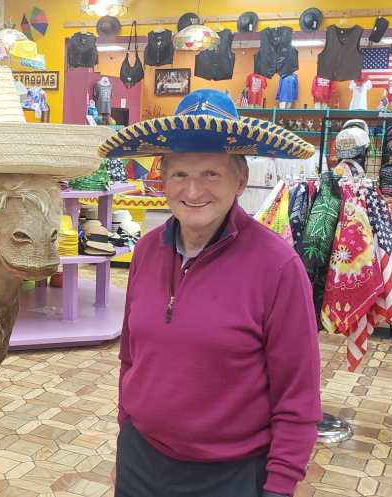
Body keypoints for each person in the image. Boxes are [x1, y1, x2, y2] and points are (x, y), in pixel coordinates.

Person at [98, 88, 323, 497]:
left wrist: (279, 487)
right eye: (180, 174)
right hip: (140, 461)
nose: (193, 191)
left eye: (211, 174)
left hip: (228, 476)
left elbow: (297, 398)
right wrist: (124, 443)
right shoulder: (146, 252)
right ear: (163, 180)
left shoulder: (277, 267)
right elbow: (132, 359)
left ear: (241, 180)